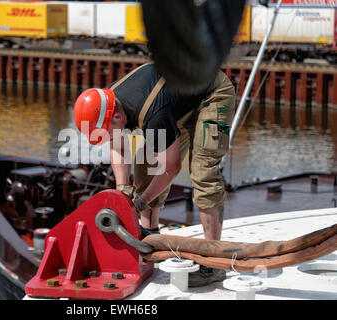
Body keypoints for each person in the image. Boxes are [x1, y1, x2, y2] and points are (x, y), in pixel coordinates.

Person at [73, 63, 236, 287]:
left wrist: (140, 202)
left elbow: (171, 168)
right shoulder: (108, 101)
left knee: (203, 172)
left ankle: (213, 263)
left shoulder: (153, 115)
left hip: (211, 95)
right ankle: (150, 238)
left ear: (118, 117)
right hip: (176, 100)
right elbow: (117, 144)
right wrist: (123, 192)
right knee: (145, 162)